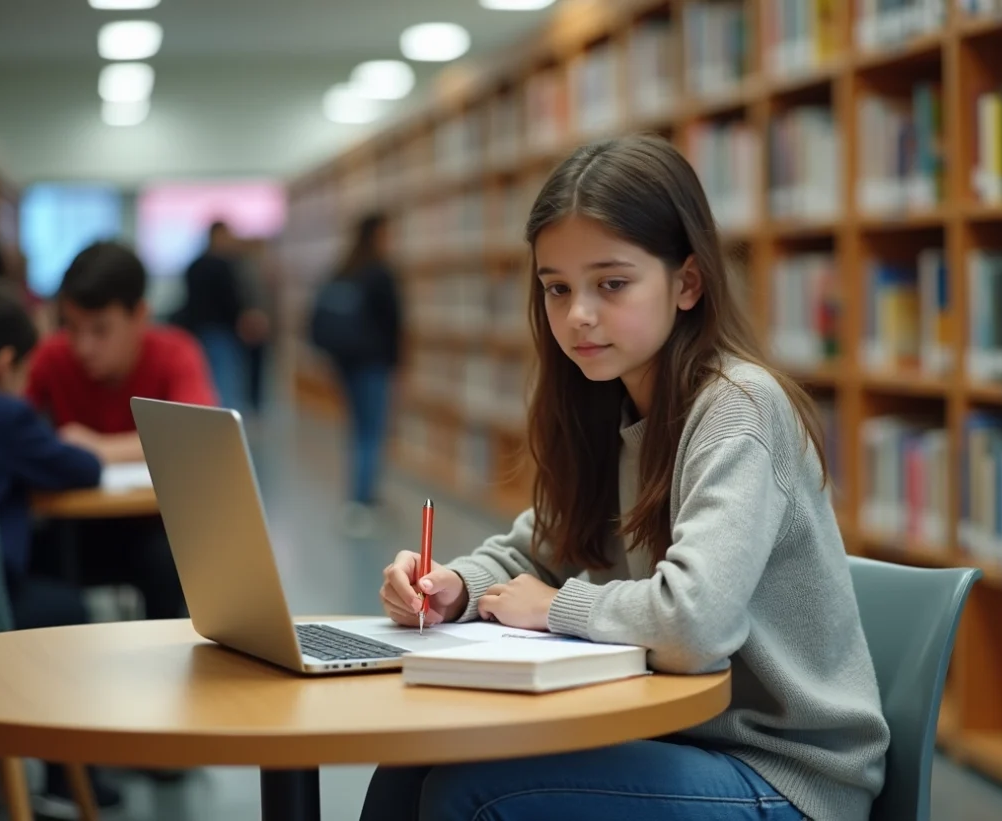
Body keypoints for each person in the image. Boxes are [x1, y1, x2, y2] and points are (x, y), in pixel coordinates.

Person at [368, 136, 889, 821]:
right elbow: (539, 547)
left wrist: (552, 606)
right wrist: (452, 585)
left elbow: (693, 624)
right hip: (673, 737)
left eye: (611, 283)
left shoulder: (739, 408)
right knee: (415, 759)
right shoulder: (606, 397)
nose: (578, 313)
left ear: (687, 282)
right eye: (556, 287)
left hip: (782, 773)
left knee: (472, 791)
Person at [0, 283, 123, 814]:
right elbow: (82, 468)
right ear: (4, 364)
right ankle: (68, 776)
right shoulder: (6, 416)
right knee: (65, 609)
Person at [26, 240, 214, 622]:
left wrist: (93, 447)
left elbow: (199, 435)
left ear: (140, 315)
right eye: (73, 328)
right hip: (70, 525)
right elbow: (17, 429)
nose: (83, 347)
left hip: (151, 526)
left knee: (171, 564)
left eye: (100, 330)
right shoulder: (52, 355)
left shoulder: (176, 352)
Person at [314, 213, 403, 537]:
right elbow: (394, 322)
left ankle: (362, 496)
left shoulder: (343, 269)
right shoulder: (380, 272)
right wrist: (398, 364)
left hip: (344, 364)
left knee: (358, 429)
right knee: (372, 432)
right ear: (378, 235)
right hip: (373, 364)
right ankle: (360, 501)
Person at [178, 220, 268, 411]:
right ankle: (223, 431)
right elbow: (233, 301)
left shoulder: (194, 265)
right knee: (224, 385)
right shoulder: (224, 266)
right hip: (221, 333)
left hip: (200, 332)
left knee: (208, 382)